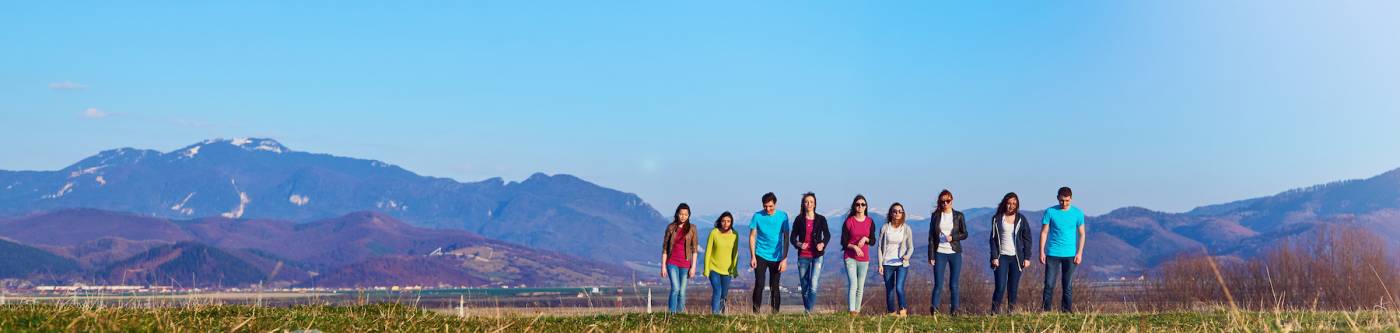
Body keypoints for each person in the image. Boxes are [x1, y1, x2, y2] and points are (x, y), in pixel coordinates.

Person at [1040, 186, 1086, 313]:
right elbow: (1044, 232)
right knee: (1049, 284)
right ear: (1057, 199)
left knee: (1067, 285)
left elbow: (1082, 234)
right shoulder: (1050, 212)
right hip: (1052, 253)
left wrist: (1079, 253)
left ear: (1071, 199)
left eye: (1067, 200)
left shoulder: (1078, 213)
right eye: (1061, 200)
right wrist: (1041, 251)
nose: (1064, 203)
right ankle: (1046, 311)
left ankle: (1066, 311)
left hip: (1070, 255)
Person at [989, 192, 1032, 314]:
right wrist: (994, 256)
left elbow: (1027, 238)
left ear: (1017, 205)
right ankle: (994, 313)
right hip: (1001, 257)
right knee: (1000, 287)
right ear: (1004, 204)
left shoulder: (1021, 219)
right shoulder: (997, 219)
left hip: (1016, 258)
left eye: (1014, 203)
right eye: (1009, 203)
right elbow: (992, 239)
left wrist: (1027, 257)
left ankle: (1011, 313)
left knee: (1013, 288)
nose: (1011, 206)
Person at [927, 189, 967, 316]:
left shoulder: (959, 215)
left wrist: (953, 237)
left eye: (948, 201)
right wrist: (931, 255)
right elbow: (932, 237)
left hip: (955, 252)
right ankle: (934, 310)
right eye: (943, 201)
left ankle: (954, 310)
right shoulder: (936, 216)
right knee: (938, 284)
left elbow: (965, 233)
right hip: (940, 253)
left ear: (952, 201)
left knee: (954, 284)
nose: (945, 203)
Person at [789, 192, 830, 314]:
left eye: (811, 202)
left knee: (813, 283)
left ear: (815, 204)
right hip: (803, 256)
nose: (809, 204)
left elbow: (827, 234)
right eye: (806, 202)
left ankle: (808, 311)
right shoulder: (799, 219)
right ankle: (808, 310)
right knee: (804, 285)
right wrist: (799, 244)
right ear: (803, 204)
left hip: (817, 256)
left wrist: (822, 243)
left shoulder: (821, 219)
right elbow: (792, 237)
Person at [749, 192, 790, 314]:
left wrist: (784, 258)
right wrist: (753, 256)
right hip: (760, 254)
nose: (768, 209)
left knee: (774, 286)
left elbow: (786, 237)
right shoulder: (757, 216)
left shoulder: (783, 216)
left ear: (775, 204)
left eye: (770, 206)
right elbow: (752, 236)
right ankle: (756, 313)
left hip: (777, 256)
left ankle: (775, 314)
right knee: (759, 284)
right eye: (765, 206)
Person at [840, 194, 877, 316]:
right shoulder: (849, 222)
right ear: (854, 206)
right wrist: (854, 247)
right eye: (857, 204)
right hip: (850, 257)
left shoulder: (870, 222)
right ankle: (851, 311)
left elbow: (873, 241)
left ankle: (857, 311)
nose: (860, 206)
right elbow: (843, 243)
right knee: (853, 284)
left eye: (863, 204)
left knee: (860, 286)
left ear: (866, 207)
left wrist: (865, 238)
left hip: (864, 258)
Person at [660, 203, 698, 313]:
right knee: (675, 288)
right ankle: (672, 313)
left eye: (686, 214)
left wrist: (693, 267)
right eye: (681, 214)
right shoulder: (671, 227)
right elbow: (665, 248)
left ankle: (680, 314)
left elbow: (694, 249)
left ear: (689, 215)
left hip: (686, 263)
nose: (683, 216)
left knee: (682, 291)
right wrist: (663, 266)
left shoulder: (692, 228)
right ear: (677, 214)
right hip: (672, 262)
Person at [877, 202, 913, 316]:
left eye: (900, 211)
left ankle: (903, 310)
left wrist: (907, 256)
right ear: (891, 213)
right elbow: (879, 247)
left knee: (899, 287)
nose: (897, 213)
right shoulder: (885, 228)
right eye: (895, 211)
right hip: (887, 262)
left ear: (903, 214)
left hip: (902, 263)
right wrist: (880, 264)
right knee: (890, 289)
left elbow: (911, 247)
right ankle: (891, 312)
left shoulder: (906, 228)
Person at [704, 212, 740, 315]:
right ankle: (715, 314)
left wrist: (734, 268)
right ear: (720, 221)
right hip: (713, 268)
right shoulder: (714, 233)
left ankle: (721, 314)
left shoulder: (734, 234)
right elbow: (708, 252)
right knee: (717, 290)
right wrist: (706, 269)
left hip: (727, 270)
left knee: (724, 294)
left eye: (728, 221)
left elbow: (735, 253)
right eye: (723, 221)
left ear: (731, 222)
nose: (726, 223)